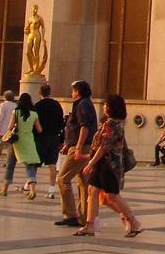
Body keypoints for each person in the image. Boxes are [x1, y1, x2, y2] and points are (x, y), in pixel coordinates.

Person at [76, 94, 143, 237]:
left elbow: (104, 147)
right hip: (103, 164)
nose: (104, 107)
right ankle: (89, 225)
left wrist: (90, 163)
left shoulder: (111, 125)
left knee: (112, 195)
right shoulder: (116, 124)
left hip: (108, 165)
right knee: (92, 192)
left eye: (106, 104)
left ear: (111, 107)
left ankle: (134, 221)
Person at [55, 80, 98, 228]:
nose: (72, 93)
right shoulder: (85, 104)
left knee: (63, 179)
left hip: (81, 147)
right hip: (82, 145)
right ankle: (84, 216)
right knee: (83, 182)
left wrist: (78, 147)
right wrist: (69, 143)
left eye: (73, 91)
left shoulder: (82, 105)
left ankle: (70, 214)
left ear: (78, 92)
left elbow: (84, 126)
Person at [0, 92, 42, 198]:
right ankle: (32, 190)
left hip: (17, 142)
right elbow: (39, 129)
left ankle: (4, 189)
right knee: (30, 165)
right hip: (29, 142)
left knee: (10, 165)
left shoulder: (16, 112)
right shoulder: (34, 114)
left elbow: (10, 127)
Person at [35, 84, 64, 199]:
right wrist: (61, 140)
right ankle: (51, 189)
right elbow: (61, 123)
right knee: (52, 164)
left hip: (41, 138)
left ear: (39, 93)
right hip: (54, 137)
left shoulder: (37, 106)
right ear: (50, 93)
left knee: (35, 163)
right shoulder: (56, 105)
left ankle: (30, 184)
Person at [0, 90, 17, 165]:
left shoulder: (3, 105)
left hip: (2, 129)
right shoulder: (15, 106)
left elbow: (0, 117)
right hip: (10, 129)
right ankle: (8, 161)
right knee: (9, 147)